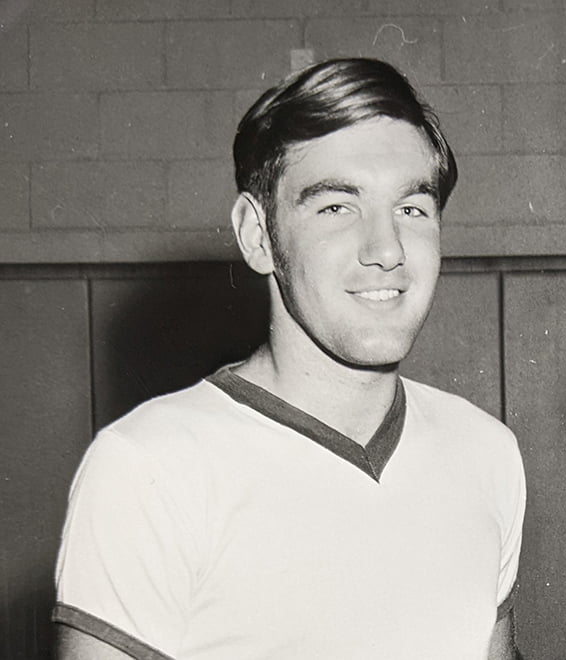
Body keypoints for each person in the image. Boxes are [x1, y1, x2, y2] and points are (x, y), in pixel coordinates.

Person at [53, 58, 526, 659]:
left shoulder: (486, 449)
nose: (386, 249)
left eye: (412, 208)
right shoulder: (148, 467)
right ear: (257, 234)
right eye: (336, 207)